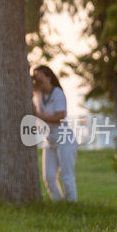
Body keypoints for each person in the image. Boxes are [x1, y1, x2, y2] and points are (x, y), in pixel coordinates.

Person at [32, 65, 77, 202]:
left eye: (39, 78)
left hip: (64, 139)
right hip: (50, 140)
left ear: (48, 77)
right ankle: (58, 201)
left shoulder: (57, 93)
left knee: (66, 175)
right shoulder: (38, 95)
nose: (37, 81)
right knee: (49, 176)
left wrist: (40, 116)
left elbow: (60, 116)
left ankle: (72, 203)